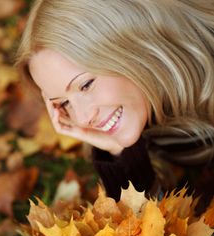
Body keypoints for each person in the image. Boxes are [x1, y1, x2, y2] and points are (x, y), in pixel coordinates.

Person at [16, 0, 214, 207]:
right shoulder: (151, 120)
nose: (83, 117)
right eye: (64, 103)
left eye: (85, 85)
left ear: (131, 49)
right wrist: (120, 154)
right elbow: (151, 231)